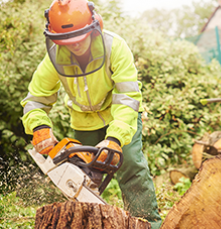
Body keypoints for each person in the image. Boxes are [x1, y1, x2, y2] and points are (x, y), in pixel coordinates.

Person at [20, 0, 162, 228]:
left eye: (79, 39)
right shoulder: (55, 57)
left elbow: (127, 98)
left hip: (120, 116)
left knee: (131, 166)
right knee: (84, 176)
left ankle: (148, 223)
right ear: (55, 39)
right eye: (67, 42)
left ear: (95, 28)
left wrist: (115, 139)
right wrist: (39, 127)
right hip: (84, 120)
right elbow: (35, 99)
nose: (75, 46)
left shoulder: (115, 47)